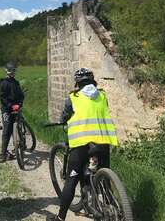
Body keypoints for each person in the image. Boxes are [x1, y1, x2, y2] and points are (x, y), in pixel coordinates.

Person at [47, 68, 119, 221]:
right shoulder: (102, 96)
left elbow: (65, 116)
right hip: (103, 142)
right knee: (105, 179)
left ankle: (60, 218)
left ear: (77, 83)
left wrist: (62, 121)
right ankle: (111, 207)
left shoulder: (73, 97)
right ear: (93, 81)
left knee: (71, 181)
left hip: (82, 145)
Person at [0, 61, 24, 163]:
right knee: (7, 129)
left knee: (19, 124)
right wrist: (11, 106)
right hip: (6, 109)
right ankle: (3, 154)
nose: (12, 72)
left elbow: (21, 95)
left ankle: (19, 144)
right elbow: (2, 97)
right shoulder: (4, 83)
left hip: (16, 108)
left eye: (14, 70)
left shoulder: (16, 83)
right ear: (7, 71)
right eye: (10, 70)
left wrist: (19, 104)